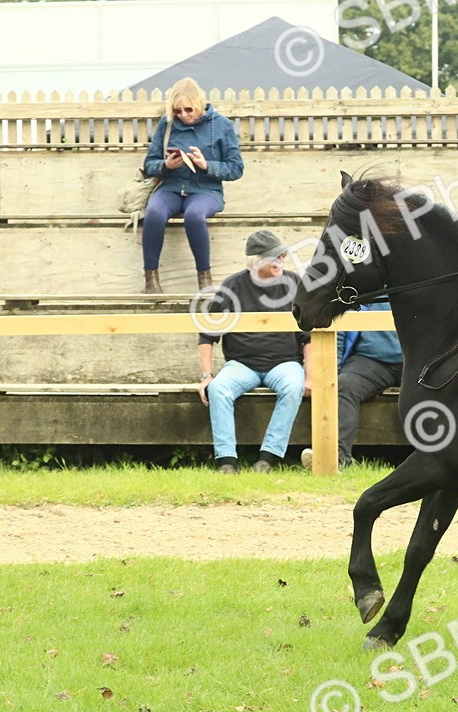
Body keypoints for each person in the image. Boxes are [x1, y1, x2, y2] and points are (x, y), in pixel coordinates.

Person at [198, 231, 310, 474]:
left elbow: (307, 336)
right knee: (218, 388)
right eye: (275, 257)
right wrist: (205, 375)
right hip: (241, 364)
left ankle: (267, 458)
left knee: (293, 386)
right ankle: (226, 461)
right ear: (256, 261)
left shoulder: (295, 283)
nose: (282, 260)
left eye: (283, 255)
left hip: (285, 362)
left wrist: (310, 376)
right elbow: (207, 335)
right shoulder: (232, 286)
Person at [141, 77, 244, 293]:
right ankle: (150, 279)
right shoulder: (167, 125)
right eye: (178, 111)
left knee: (195, 215)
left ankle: (204, 278)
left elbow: (236, 168)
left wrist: (206, 165)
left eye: (188, 109)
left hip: (205, 189)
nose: (184, 115)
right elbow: (149, 164)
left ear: (198, 104)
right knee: (153, 213)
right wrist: (166, 165)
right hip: (171, 186)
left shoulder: (221, 125)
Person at [300, 301, 403, 471]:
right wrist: (333, 371)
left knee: (428, 388)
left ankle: (433, 457)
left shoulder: (415, 284)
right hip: (369, 360)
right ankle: (336, 459)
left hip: (412, 358)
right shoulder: (362, 287)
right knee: (344, 386)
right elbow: (339, 327)